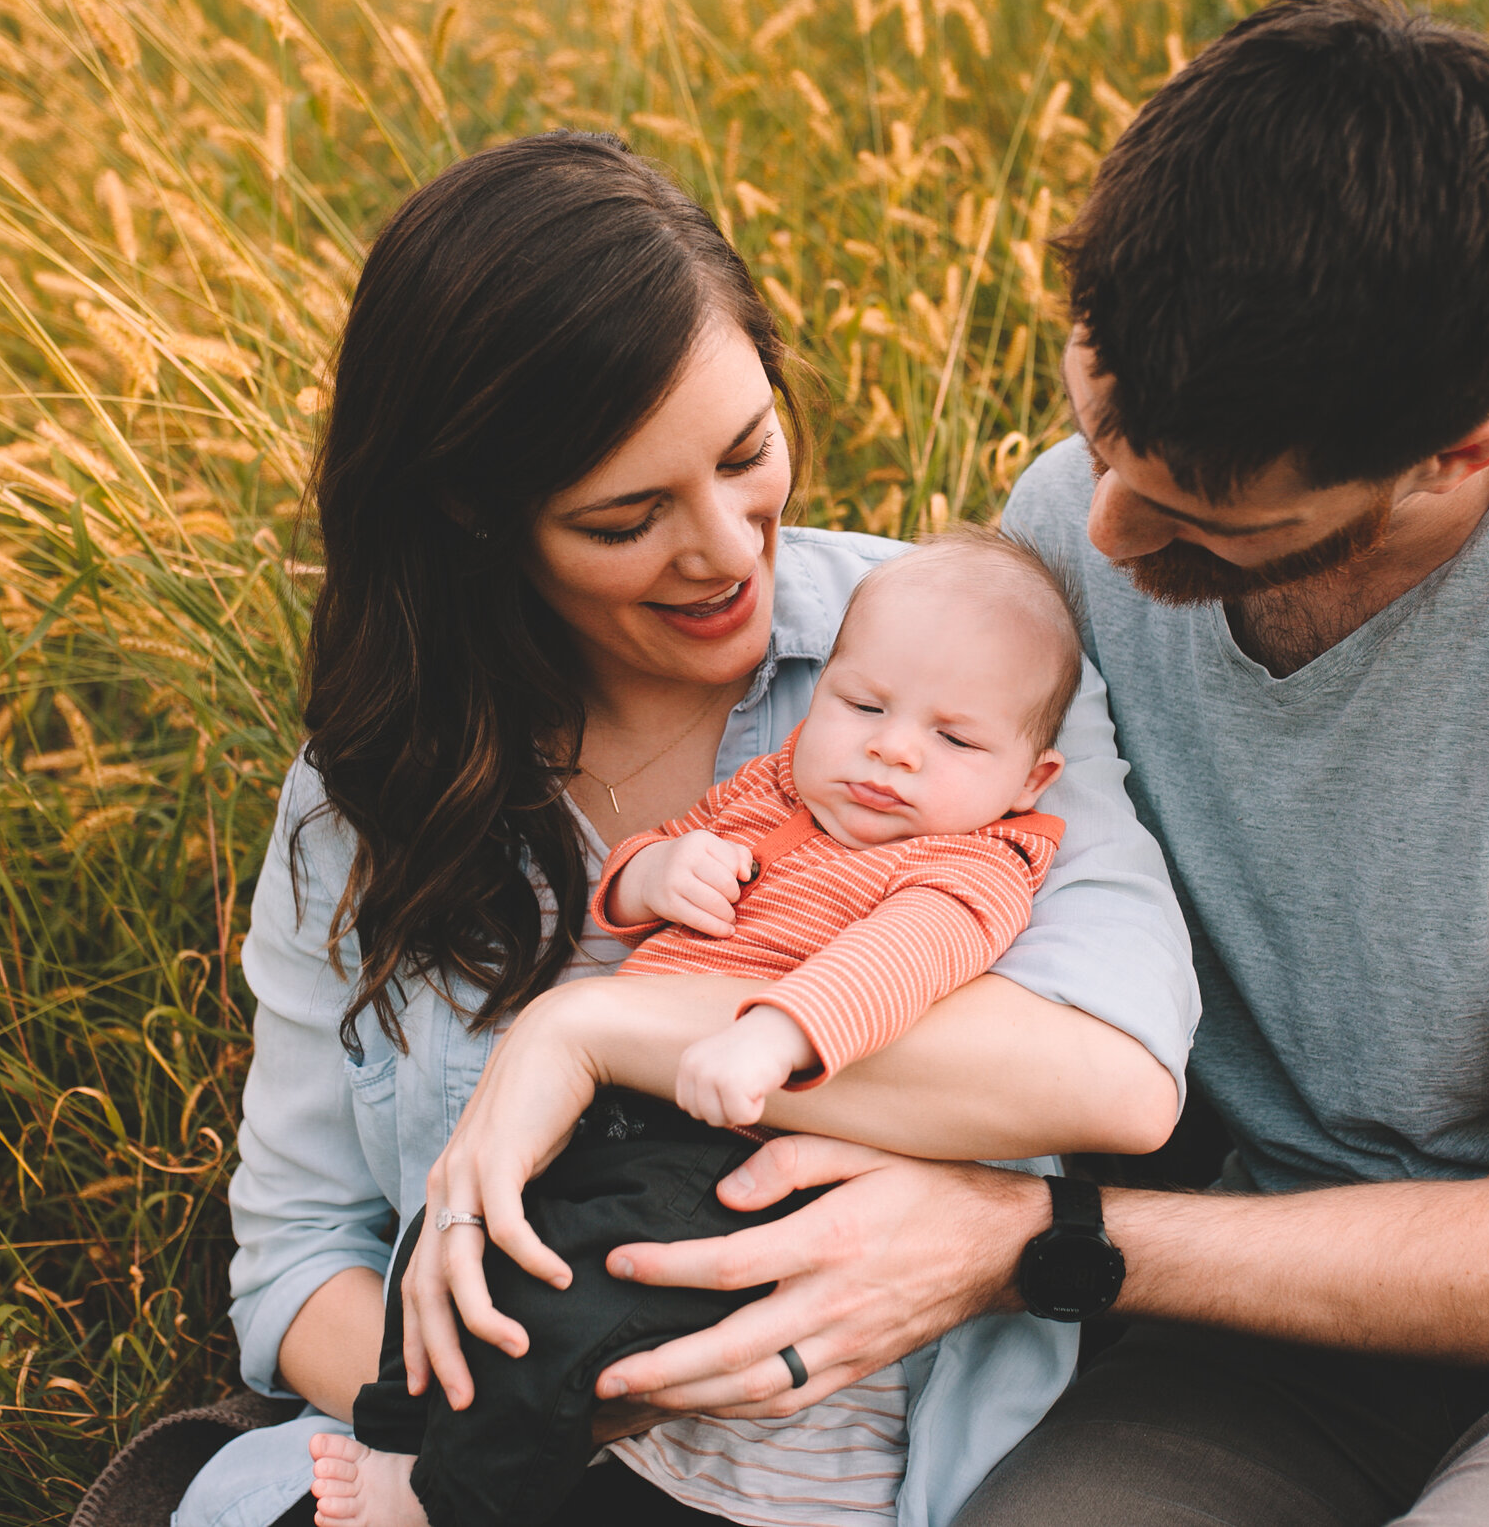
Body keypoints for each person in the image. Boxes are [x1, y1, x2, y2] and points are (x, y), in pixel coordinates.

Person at [460, 0, 1489, 1526]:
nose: (1105, 535)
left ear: (1465, 449)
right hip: (1261, 1301)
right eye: (1099, 436)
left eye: (1208, 521)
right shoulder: (1072, 518)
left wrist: (1025, 1235)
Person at [170, 130, 1198, 1527]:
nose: (723, 546)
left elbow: (1114, 1073)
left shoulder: (958, 665)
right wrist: (510, 1418)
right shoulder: (378, 784)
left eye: (745, 451)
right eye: (628, 514)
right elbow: (294, 1259)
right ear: (481, 512)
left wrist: (589, 1029)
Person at [323, 531, 1087, 1523]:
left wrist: (770, 1036)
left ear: (1030, 778)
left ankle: (460, 1499)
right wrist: (653, 873)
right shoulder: (776, 788)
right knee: (457, 1226)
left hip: (731, 1148)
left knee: (576, 1300)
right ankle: (394, 1435)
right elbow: (641, 871)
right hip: (613, 1111)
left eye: (954, 739)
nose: (893, 747)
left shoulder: (971, 865)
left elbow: (891, 964)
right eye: (862, 706)